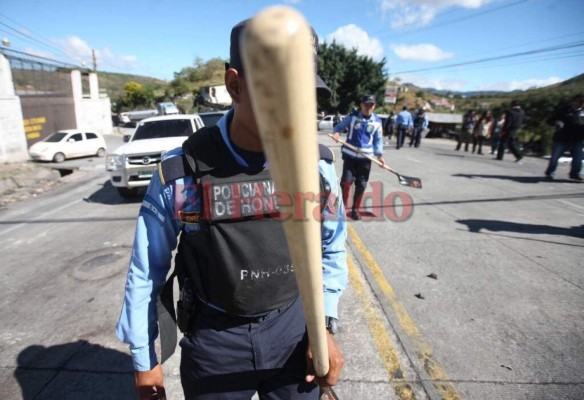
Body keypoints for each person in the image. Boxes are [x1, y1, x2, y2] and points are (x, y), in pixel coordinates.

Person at [116, 19, 348, 400]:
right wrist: (145, 361)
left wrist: (322, 326)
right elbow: (147, 269)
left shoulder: (316, 166)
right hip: (215, 341)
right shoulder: (182, 173)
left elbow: (332, 246)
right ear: (235, 85)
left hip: (294, 329)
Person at [332, 94, 385, 220]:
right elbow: (339, 127)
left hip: (365, 158)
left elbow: (378, 140)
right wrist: (336, 133)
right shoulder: (353, 117)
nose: (368, 107)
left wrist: (380, 155)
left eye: (371, 105)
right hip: (350, 155)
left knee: (361, 185)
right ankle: (342, 208)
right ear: (361, 105)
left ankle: (355, 209)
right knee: (346, 182)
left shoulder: (377, 122)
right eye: (366, 104)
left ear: (374, 106)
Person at [544, 94, 584, 181]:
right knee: (555, 157)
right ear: (573, 101)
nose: (581, 104)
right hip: (561, 138)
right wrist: (556, 123)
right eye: (579, 101)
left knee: (578, 158)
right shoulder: (563, 110)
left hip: (577, 139)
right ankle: (550, 173)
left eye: (582, 102)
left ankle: (575, 174)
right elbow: (549, 120)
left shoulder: (583, 112)